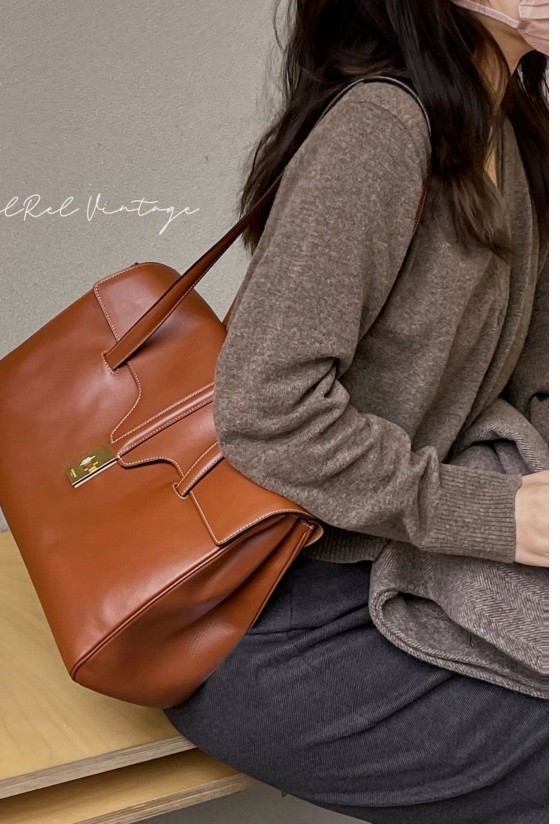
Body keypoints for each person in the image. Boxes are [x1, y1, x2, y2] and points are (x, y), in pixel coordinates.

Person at [162, 1, 549, 822]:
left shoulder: (517, 131)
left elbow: (534, 377)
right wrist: (500, 514)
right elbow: (268, 412)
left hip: (409, 570)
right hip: (279, 617)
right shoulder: (381, 128)